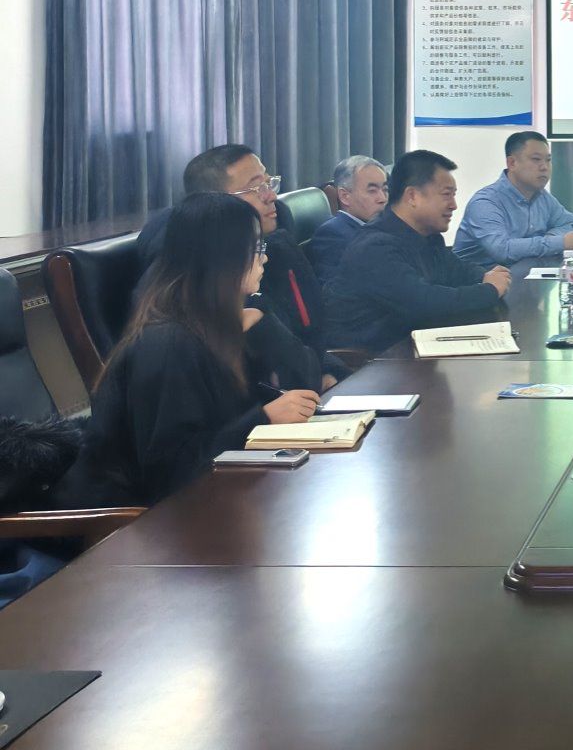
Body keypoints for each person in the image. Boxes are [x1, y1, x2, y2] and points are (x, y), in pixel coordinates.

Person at [59, 194, 321, 507]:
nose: (264, 258)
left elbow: (309, 385)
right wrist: (262, 420)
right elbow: (172, 474)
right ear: (221, 258)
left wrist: (265, 325)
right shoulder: (167, 344)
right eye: (256, 248)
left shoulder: (226, 323)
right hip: (136, 523)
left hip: (225, 499)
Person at [138, 145, 334, 370]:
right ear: (216, 204)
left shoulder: (277, 241)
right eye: (256, 188)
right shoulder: (177, 286)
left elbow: (312, 333)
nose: (271, 196)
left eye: (269, 183)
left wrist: (328, 371)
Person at [324, 150, 513, 353]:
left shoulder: (426, 235)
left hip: (411, 346)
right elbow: (424, 303)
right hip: (373, 359)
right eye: (446, 195)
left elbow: (456, 270)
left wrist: (486, 276)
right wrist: (490, 290)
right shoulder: (375, 247)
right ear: (412, 196)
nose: (454, 205)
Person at [452, 132, 573, 269]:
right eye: (536, 159)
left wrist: (551, 238)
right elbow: (502, 250)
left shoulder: (542, 196)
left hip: (523, 274)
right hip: (479, 279)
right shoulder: (485, 202)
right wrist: (559, 243)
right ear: (512, 163)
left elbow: (572, 223)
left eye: (548, 160)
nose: (544, 167)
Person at [308, 155, 388, 285]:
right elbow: (336, 292)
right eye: (372, 191)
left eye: (385, 190)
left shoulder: (381, 227)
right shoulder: (333, 235)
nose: (383, 198)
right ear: (345, 196)